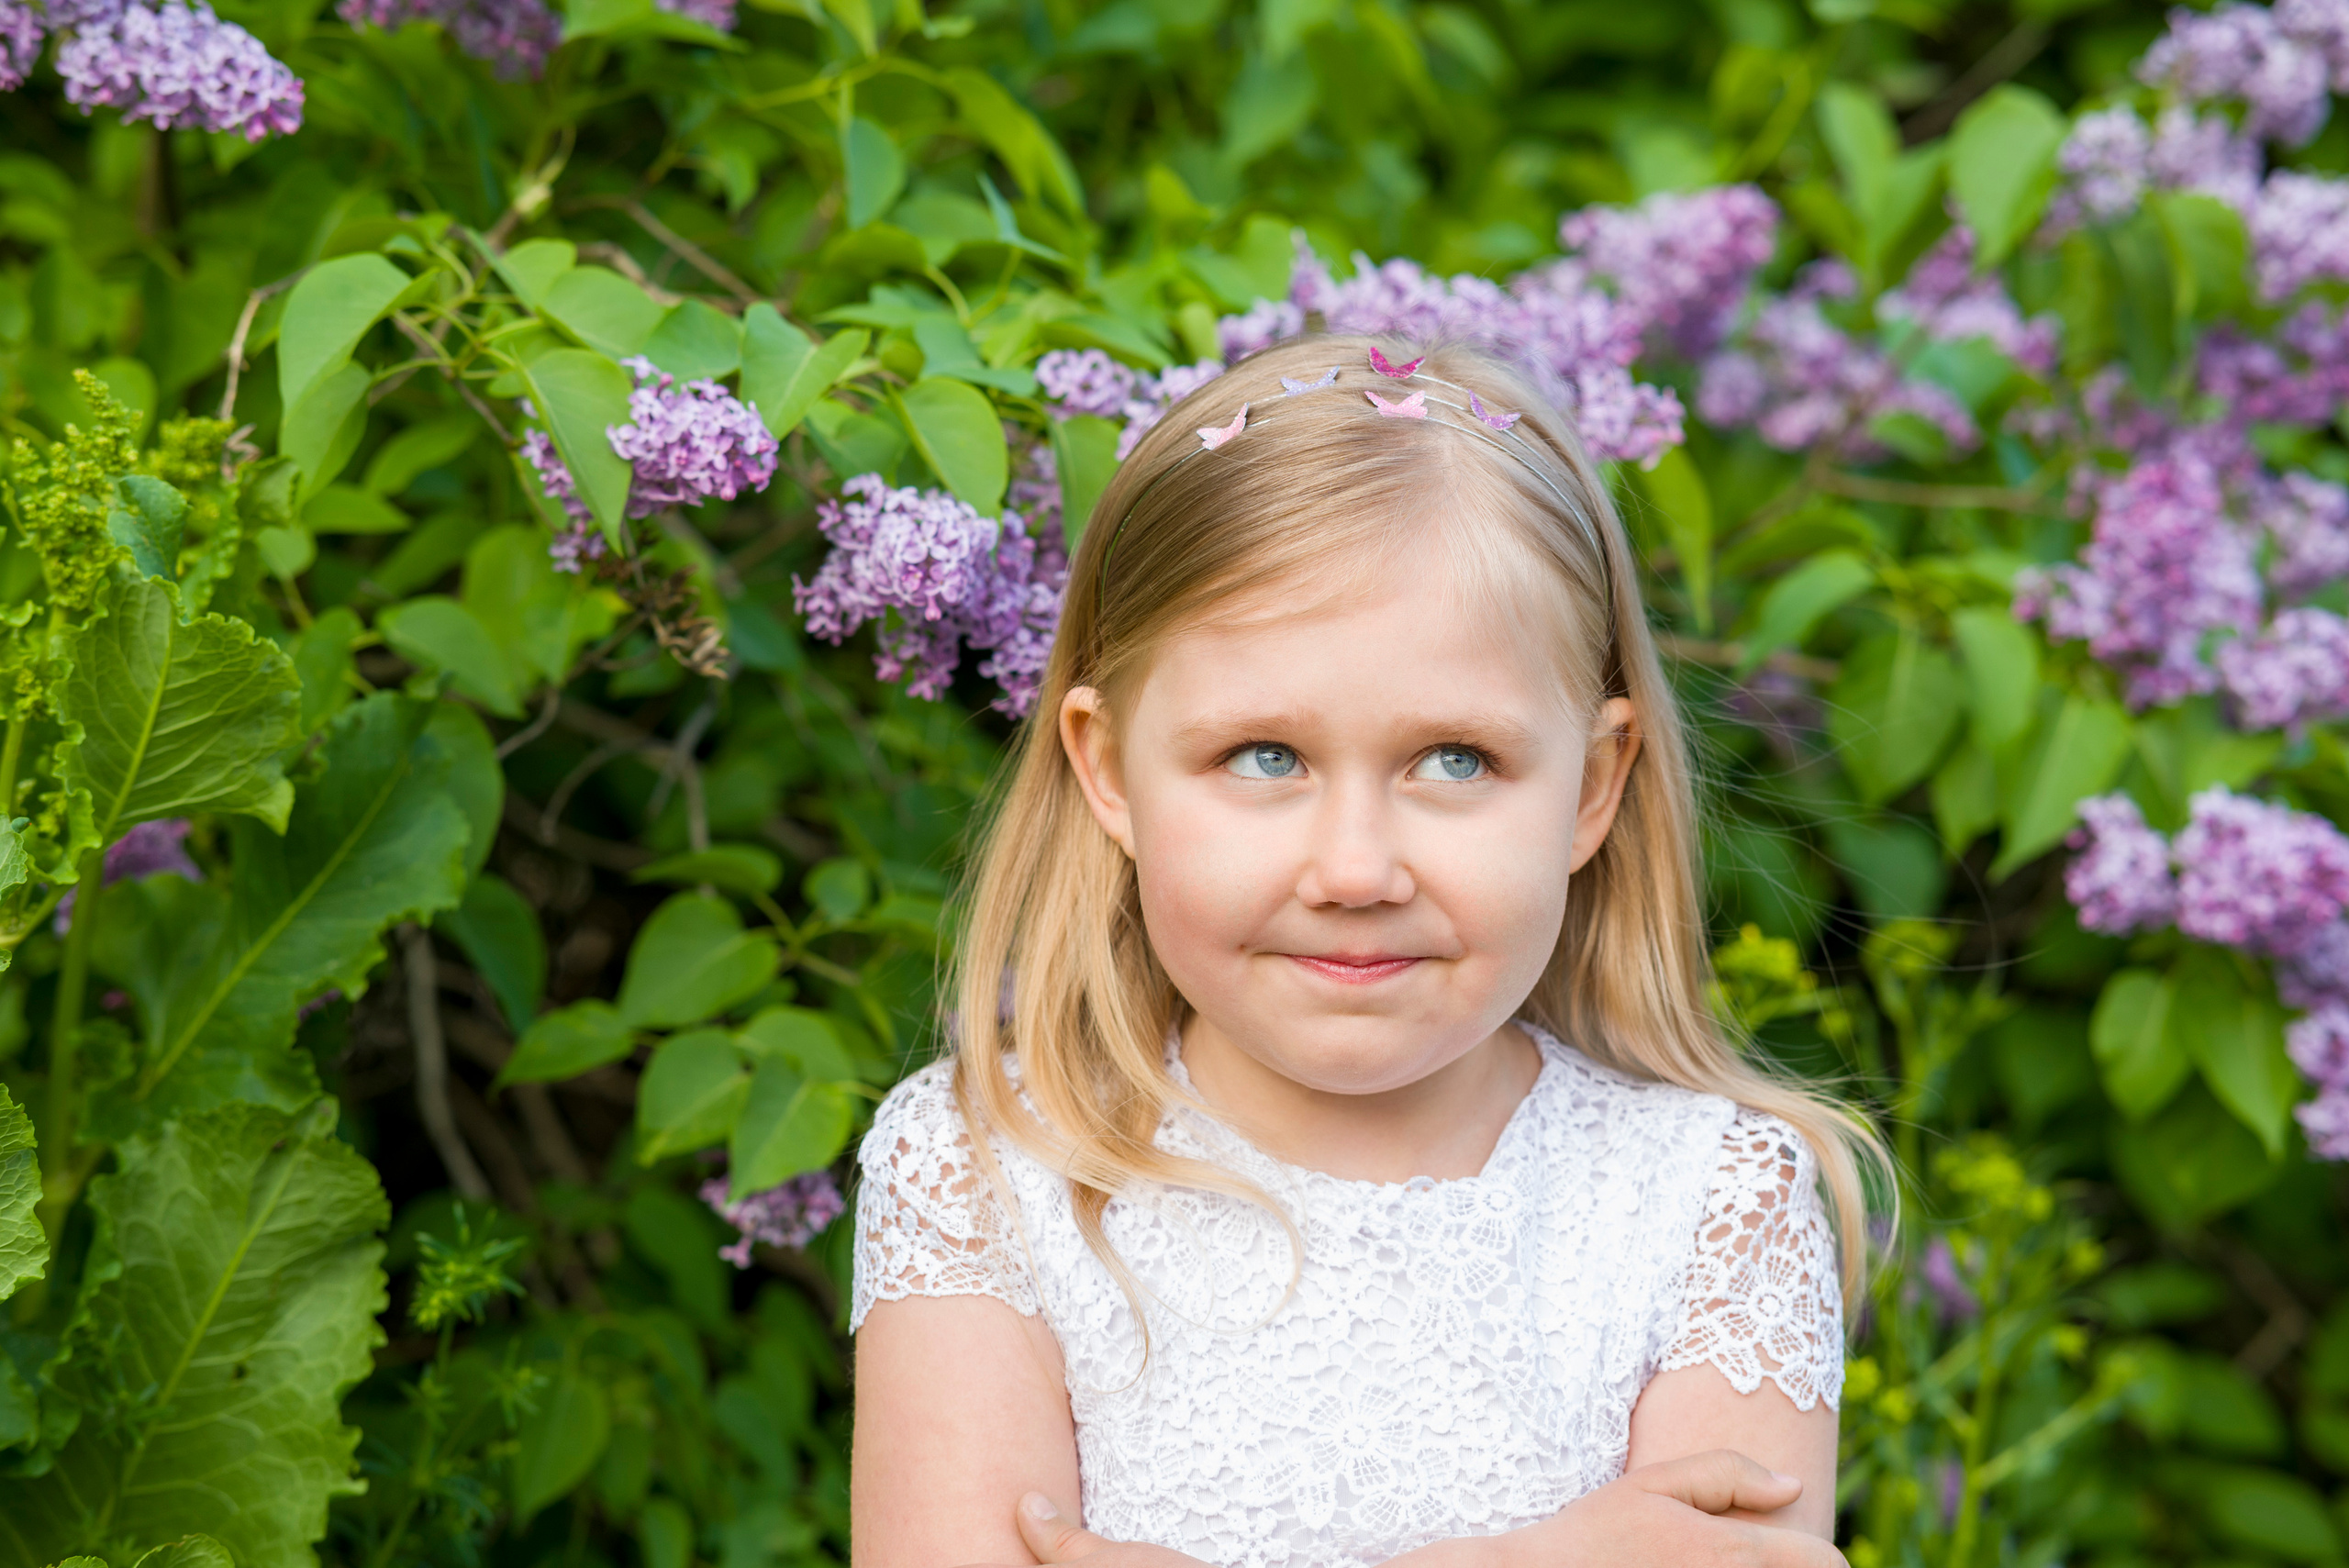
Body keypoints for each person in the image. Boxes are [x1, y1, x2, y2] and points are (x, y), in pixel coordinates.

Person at [849, 336, 1885, 1568]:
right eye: (1264, 757)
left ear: (1594, 785)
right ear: (1108, 766)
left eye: (1455, 759)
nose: (1354, 871)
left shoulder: (1715, 1206)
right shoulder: (985, 1171)